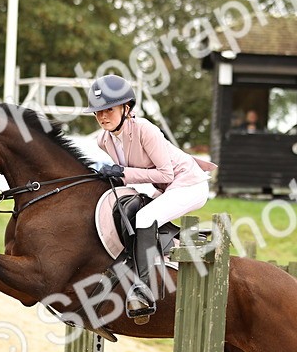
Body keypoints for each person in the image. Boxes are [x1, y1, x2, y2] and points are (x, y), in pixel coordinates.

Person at [85, 74, 216, 320]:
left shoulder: (145, 129)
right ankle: (179, 239)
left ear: (126, 108)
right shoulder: (104, 140)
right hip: (163, 187)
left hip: (189, 184)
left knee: (145, 216)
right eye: (97, 112)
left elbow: (165, 173)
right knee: (131, 211)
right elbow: (134, 176)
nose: (102, 117)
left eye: (108, 110)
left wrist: (122, 173)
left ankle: (142, 289)